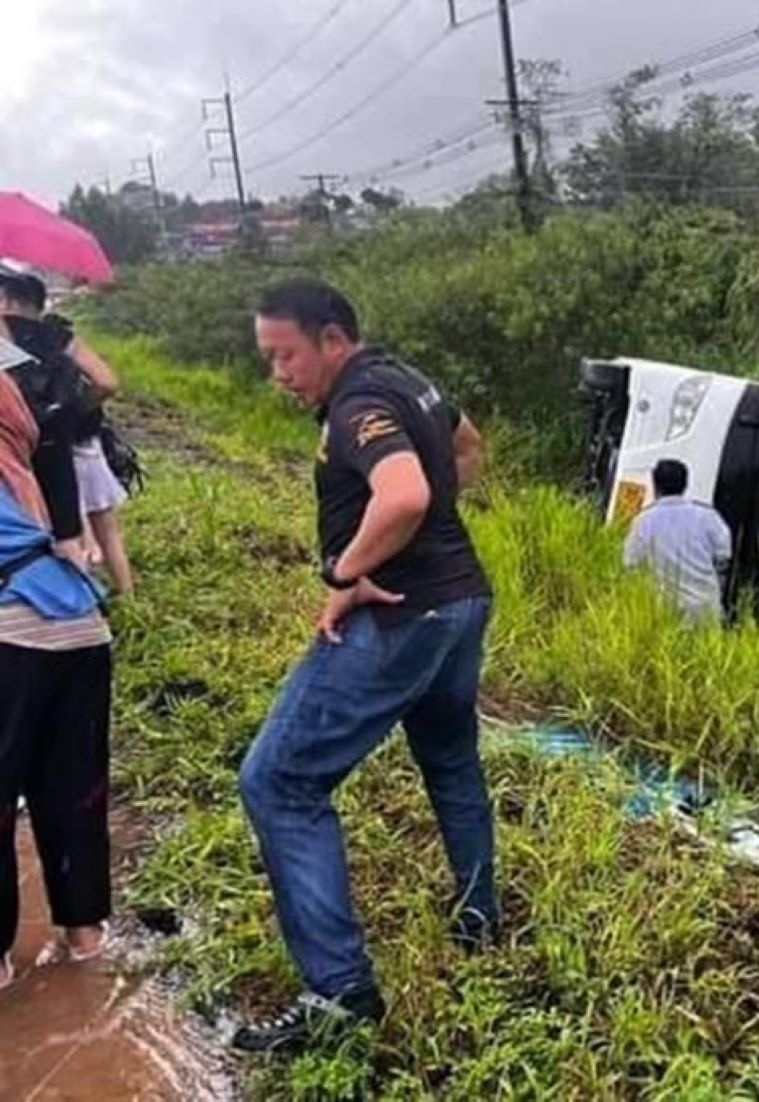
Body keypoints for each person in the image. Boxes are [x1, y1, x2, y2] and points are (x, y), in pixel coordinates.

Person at [233, 279, 495, 1052]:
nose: (278, 372)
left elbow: (406, 492)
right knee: (449, 758)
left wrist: (346, 574)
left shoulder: (355, 405)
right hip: (462, 601)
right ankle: (479, 917)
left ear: (333, 340)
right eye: (268, 357)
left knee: (277, 782)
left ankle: (340, 995)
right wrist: (433, 529)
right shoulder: (407, 380)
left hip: (404, 616)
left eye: (285, 354)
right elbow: (466, 445)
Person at [0, 324, 113, 993]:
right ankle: (85, 949)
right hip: (81, 627)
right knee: (75, 794)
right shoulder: (31, 448)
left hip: (11, 634)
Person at [0, 270, 131, 595]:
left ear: (7, 300)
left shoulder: (4, 335)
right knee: (69, 530)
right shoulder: (57, 335)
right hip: (56, 439)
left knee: (22, 527)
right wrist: (72, 413)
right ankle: (87, 605)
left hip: (13, 444)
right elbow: (106, 382)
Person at [623, 459, 733, 624]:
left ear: (655, 486)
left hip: (664, 609)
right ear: (685, 485)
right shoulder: (707, 516)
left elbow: (630, 564)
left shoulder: (644, 521)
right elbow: (724, 556)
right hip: (705, 609)